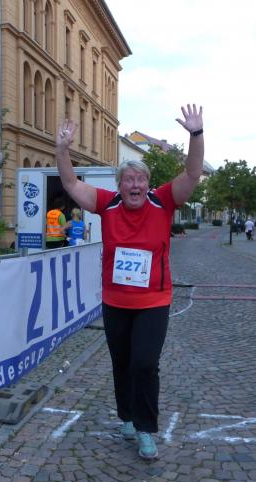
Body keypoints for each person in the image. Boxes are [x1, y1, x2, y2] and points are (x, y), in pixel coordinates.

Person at [55, 104, 204, 460]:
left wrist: (196, 135)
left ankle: (145, 429)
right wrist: (61, 150)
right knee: (121, 362)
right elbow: (71, 183)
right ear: (119, 185)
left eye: (140, 180)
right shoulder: (107, 204)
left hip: (153, 301)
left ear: (148, 184)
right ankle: (126, 416)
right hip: (115, 302)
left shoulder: (163, 202)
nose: (135, 185)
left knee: (144, 363)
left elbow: (192, 174)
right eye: (129, 180)